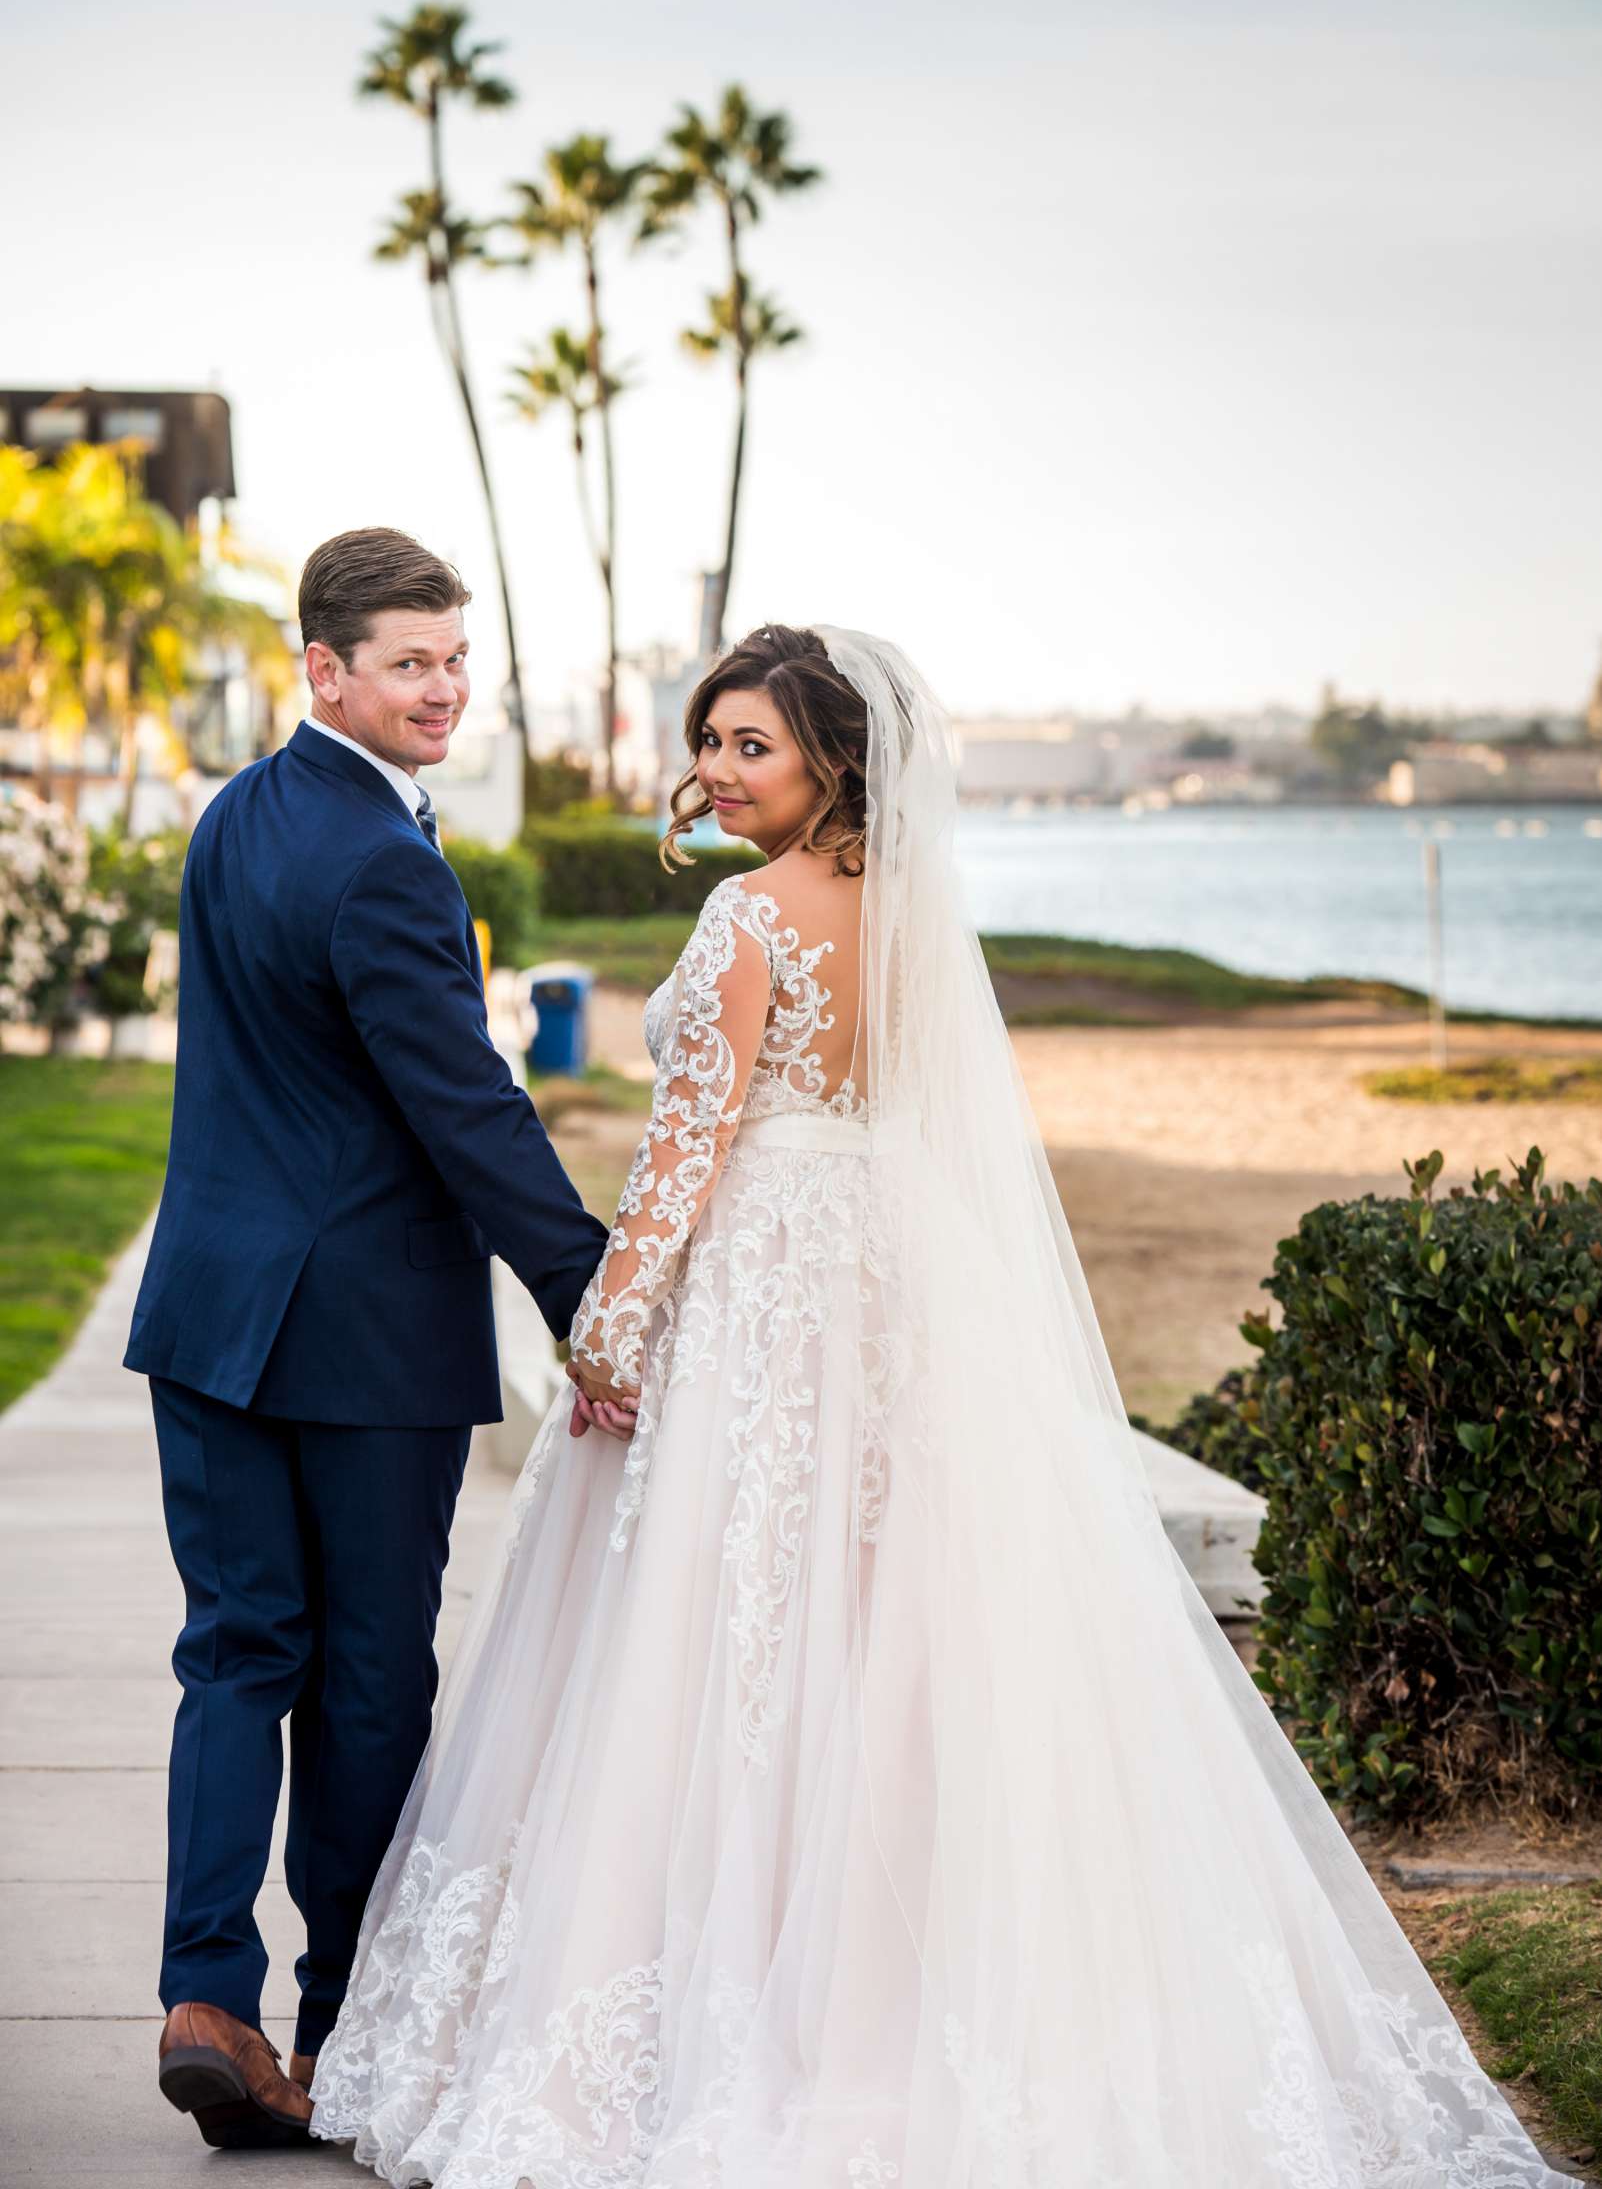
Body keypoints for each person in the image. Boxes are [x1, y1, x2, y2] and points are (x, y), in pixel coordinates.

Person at [311, 624, 1575, 2186]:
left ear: (833, 759)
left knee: (724, 1641)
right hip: (891, 1285)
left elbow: (686, 1159)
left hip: (763, 1293)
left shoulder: (745, 917)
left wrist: (607, 1333)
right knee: (880, 1633)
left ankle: (730, 2009)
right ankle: (884, 1994)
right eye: (707, 742)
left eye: (748, 747)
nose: (713, 771)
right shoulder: (916, 917)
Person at [127, 527, 608, 2150]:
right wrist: (591, 1294)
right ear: (323, 670)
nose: (443, 689)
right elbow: (463, 1106)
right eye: (409, 662)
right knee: (365, 1685)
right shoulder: (386, 861)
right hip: (358, 1336)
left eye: (455, 660)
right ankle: (343, 2025)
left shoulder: (235, 820)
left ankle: (206, 1995)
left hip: (208, 1316)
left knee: (234, 1655)